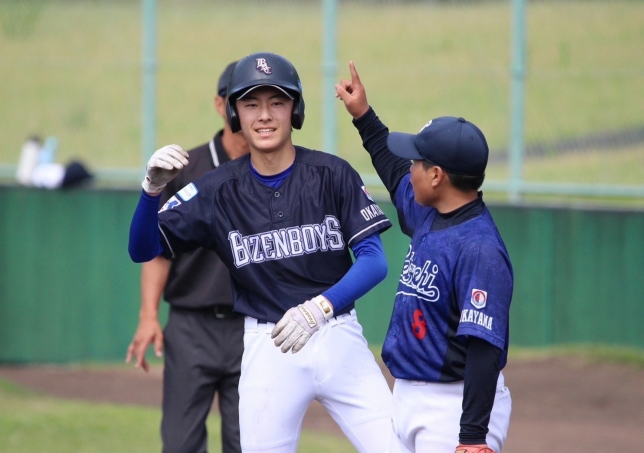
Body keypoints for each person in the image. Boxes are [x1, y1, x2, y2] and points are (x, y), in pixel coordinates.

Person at [128, 52, 393, 453]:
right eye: (251, 104)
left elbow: (374, 260)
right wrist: (151, 191)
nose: (264, 115)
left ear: (295, 110)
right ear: (234, 113)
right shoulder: (215, 189)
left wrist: (319, 308)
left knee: (394, 446)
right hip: (269, 345)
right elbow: (143, 248)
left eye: (277, 102)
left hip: (337, 333)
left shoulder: (332, 173)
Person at [335, 61, 513, 453]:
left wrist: (472, 437)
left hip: (453, 407)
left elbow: (484, 348)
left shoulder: (480, 248)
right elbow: (392, 169)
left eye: (417, 162)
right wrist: (363, 116)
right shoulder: (429, 212)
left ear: (436, 176)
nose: (410, 168)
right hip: (408, 398)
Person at [125, 61, 250, 453]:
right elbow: (156, 252)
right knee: (180, 444)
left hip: (253, 327)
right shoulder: (185, 168)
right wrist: (148, 316)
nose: (248, 109)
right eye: (238, 99)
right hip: (191, 325)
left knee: (250, 443)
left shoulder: (274, 171)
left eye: (257, 100)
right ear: (220, 104)